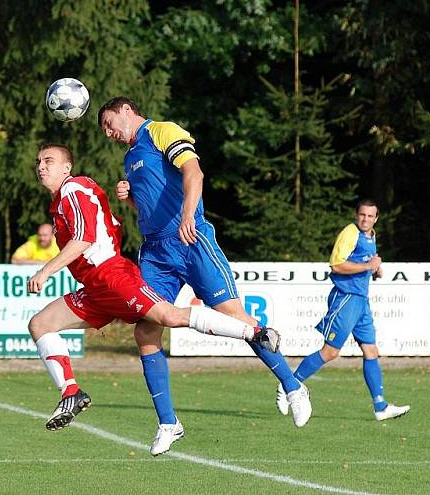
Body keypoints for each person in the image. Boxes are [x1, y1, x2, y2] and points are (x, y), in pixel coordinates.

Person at [97, 97, 312, 454]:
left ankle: (293, 385)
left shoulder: (161, 131)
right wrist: (129, 198)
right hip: (155, 251)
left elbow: (193, 173)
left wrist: (187, 216)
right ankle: (168, 422)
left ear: (125, 110)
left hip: (191, 238)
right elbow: (151, 203)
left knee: (236, 317)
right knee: (146, 330)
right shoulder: (129, 158)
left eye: (108, 123)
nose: (108, 133)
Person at [27, 143, 283, 434]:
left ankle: (255, 332)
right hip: (96, 286)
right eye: (38, 162)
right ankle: (71, 392)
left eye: (49, 160)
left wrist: (45, 271)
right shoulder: (63, 200)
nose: (41, 166)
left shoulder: (73, 189)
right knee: (40, 324)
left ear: (66, 168)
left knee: (169, 317)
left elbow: (85, 238)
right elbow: (108, 224)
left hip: (113, 277)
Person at [276, 199, 410, 421]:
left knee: (371, 351)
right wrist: (368, 266)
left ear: (376, 218)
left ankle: (380, 406)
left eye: (370, 216)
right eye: (362, 215)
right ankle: (288, 385)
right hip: (346, 298)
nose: (365, 219)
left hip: (361, 301)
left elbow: (363, 263)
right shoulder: (351, 233)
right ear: (356, 215)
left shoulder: (371, 236)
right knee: (330, 352)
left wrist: (374, 271)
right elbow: (336, 265)